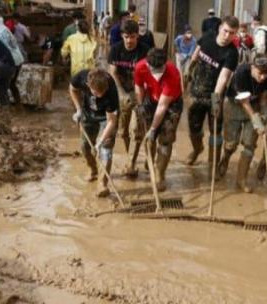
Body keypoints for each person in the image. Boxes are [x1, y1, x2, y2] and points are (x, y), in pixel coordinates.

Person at [186, 16, 240, 174]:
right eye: (225, 31)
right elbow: (196, 53)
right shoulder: (208, 37)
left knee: (215, 130)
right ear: (219, 28)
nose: (227, 36)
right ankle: (197, 149)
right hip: (196, 92)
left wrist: (216, 102)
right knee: (193, 129)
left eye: (232, 33)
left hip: (214, 96)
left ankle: (212, 166)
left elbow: (223, 78)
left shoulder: (232, 53)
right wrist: (188, 71)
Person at [218, 55, 267, 192]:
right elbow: (244, 101)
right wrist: (256, 120)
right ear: (253, 68)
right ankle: (225, 158)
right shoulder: (241, 72)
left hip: (254, 106)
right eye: (260, 73)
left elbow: (263, 96)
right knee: (231, 143)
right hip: (234, 105)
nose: (263, 78)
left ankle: (241, 179)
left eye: (266, 74)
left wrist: (262, 117)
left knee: (250, 145)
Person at [130, 48, 183, 191]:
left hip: (171, 104)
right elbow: (139, 86)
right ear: (148, 65)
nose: (158, 74)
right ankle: (150, 161)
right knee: (147, 136)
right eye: (154, 70)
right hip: (150, 100)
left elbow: (163, 106)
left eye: (161, 70)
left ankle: (160, 173)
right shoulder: (140, 67)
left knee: (165, 139)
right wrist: (141, 105)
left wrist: (154, 129)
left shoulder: (172, 73)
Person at [69, 68, 120, 197]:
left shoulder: (111, 91)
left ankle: (102, 184)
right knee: (85, 147)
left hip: (106, 118)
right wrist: (78, 109)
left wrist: (101, 141)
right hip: (87, 114)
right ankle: (93, 169)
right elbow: (72, 89)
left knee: (105, 149)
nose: (100, 96)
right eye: (97, 93)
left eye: (103, 92)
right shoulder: (81, 77)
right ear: (88, 85)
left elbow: (111, 122)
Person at [107, 20, 149, 166]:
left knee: (137, 130)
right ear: (122, 36)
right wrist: (121, 93)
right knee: (122, 131)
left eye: (132, 37)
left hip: (139, 93)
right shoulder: (115, 49)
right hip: (121, 93)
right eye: (126, 37)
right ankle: (128, 154)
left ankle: (132, 161)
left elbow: (149, 75)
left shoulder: (145, 51)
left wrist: (141, 97)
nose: (129, 40)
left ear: (137, 36)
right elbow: (112, 72)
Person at [0, 15, 25, 105]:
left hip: (10, 61)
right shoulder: (6, 30)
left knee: (3, 85)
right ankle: (18, 105)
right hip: (18, 59)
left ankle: (5, 108)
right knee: (12, 83)